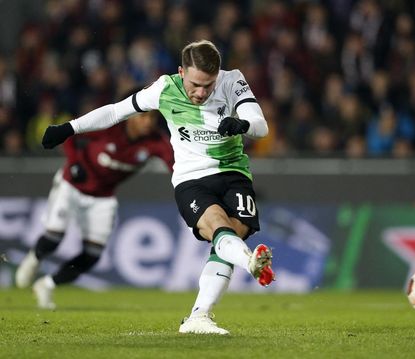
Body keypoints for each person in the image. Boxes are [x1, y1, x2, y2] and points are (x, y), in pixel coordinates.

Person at [40, 40, 275, 335]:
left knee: (232, 236)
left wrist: (241, 125)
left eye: (208, 85)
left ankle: (199, 316)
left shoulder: (232, 81)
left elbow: (260, 124)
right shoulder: (164, 88)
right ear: (181, 72)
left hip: (234, 173)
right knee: (218, 227)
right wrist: (69, 128)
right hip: (192, 179)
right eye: (195, 85)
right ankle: (249, 263)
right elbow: (116, 111)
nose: (201, 93)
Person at [16, 102, 174, 310]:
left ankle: (46, 284)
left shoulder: (156, 142)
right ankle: (34, 258)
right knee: (54, 237)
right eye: (143, 117)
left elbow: (175, 164)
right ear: (132, 116)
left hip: (103, 197)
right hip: (71, 186)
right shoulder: (109, 127)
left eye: (152, 119)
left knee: (92, 255)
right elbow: (71, 136)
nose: (148, 123)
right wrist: (74, 164)